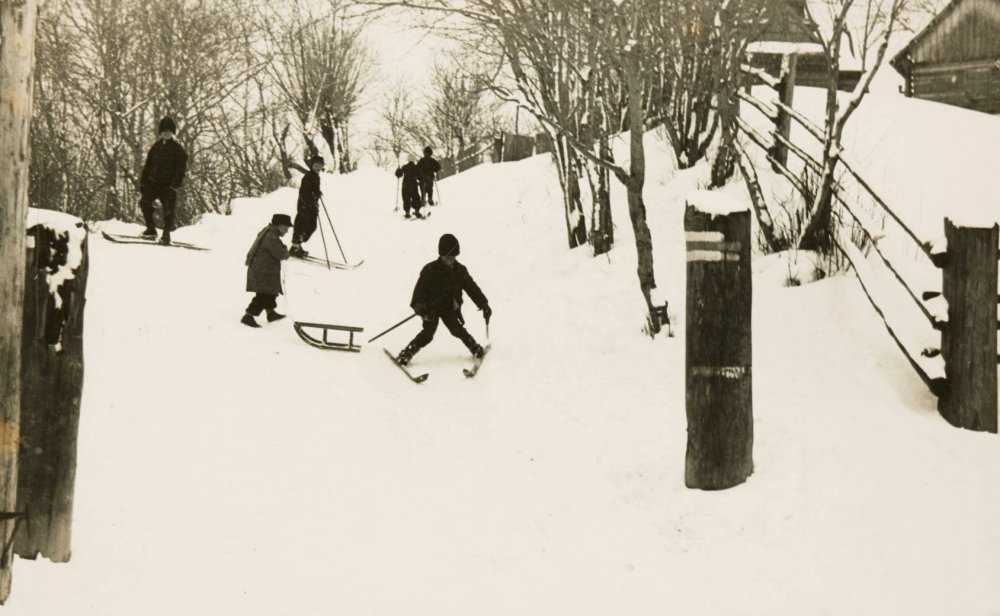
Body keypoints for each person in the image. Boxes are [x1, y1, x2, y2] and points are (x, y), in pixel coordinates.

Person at [396, 233, 492, 365]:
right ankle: (407, 352)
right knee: (428, 333)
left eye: (453, 256)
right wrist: (419, 307)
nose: (451, 260)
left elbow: (471, 287)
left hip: (449, 307)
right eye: (447, 257)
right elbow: (418, 291)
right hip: (430, 308)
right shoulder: (430, 270)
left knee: (456, 329)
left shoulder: (460, 270)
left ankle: (474, 347)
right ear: (441, 255)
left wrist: (484, 304)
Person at [139, 117, 188, 245]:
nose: (166, 133)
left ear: (173, 133)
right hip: (153, 184)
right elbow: (148, 165)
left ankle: (166, 235)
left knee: (168, 211)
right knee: (144, 203)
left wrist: (175, 184)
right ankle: (151, 229)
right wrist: (144, 182)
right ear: (160, 133)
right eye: (164, 131)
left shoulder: (178, 149)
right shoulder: (156, 147)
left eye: (169, 131)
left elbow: (181, 169)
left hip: (168, 185)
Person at [242, 214, 292, 328]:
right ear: (279, 226)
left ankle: (271, 313)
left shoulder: (270, 233)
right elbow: (281, 254)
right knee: (264, 294)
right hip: (263, 271)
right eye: (286, 228)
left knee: (270, 292)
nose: (287, 231)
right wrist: (285, 249)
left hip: (264, 270)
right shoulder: (271, 237)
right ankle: (248, 316)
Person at [291, 155, 325, 258]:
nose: (318, 168)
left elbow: (313, 189)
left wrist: (317, 192)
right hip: (304, 206)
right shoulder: (307, 177)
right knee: (302, 226)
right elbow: (303, 193)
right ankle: (295, 247)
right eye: (316, 166)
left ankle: (298, 245)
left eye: (320, 166)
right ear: (311, 166)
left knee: (312, 226)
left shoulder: (316, 176)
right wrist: (309, 202)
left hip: (312, 206)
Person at [395, 154, 423, 218]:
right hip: (413, 185)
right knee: (416, 198)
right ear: (414, 160)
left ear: (408, 159)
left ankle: (407, 212)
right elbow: (420, 177)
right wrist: (422, 182)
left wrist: (398, 170)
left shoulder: (405, 167)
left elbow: (399, 174)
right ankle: (417, 211)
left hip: (406, 185)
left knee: (406, 198)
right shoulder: (416, 167)